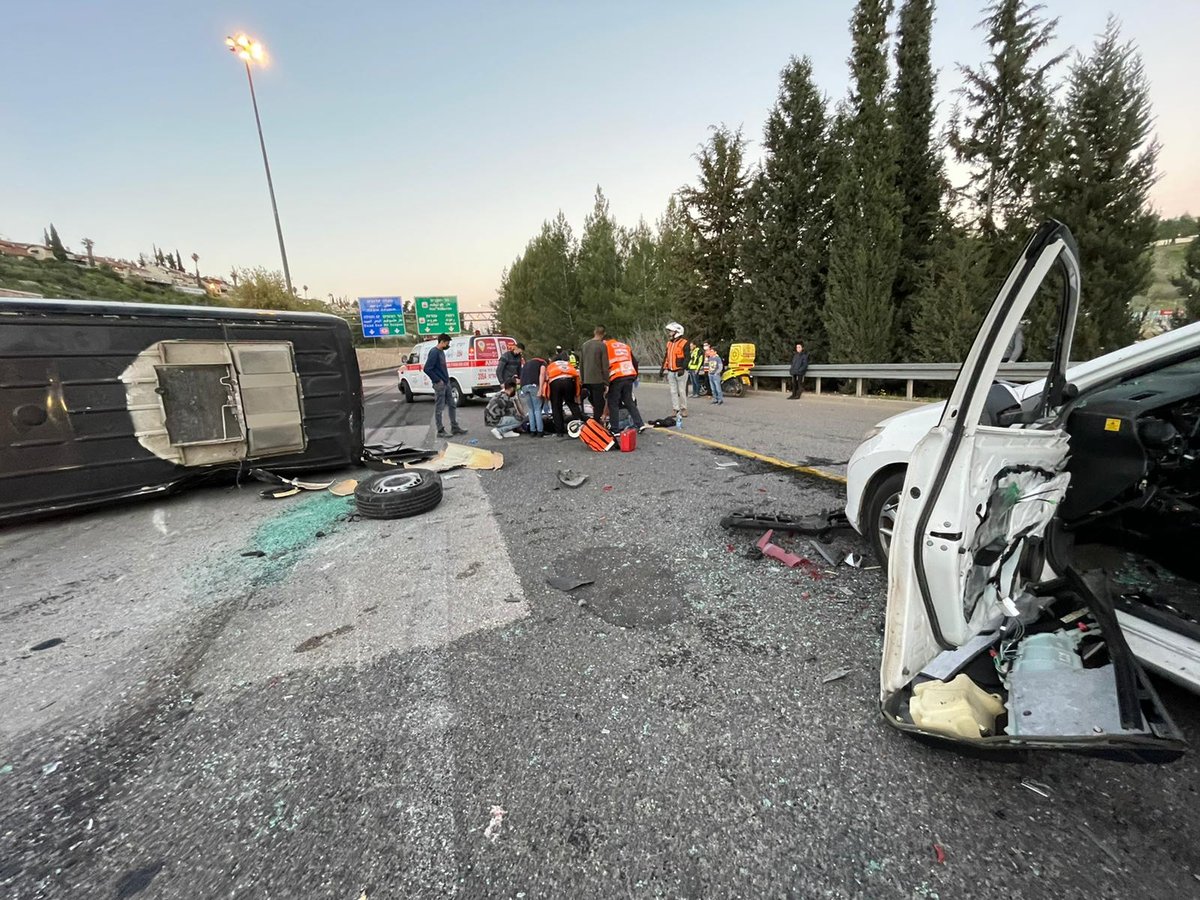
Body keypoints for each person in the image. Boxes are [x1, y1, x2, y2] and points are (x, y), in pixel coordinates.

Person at [424, 333, 467, 436]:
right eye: (447, 343)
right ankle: (440, 430)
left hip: (446, 382)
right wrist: (437, 380)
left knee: (452, 405)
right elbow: (427, 369)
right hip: (440, 384)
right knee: (439, 407)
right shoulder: (434, 352)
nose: (448, 345)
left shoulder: (441, 352)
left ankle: (455, 427)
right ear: (442, 342)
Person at [605, 337, 649, 432]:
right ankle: (640, 424)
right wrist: (635, 375)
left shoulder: (606, 346)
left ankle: (614, 429)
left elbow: (603, 364)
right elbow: (635, 362)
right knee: (629, 401)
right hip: (629, 374)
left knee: (613, 403)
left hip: (616, 376)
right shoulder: (624, 346)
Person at [545, 356, 584, 438]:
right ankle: (581, 425)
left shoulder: (551, 365)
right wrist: (577, 395)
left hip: (555, 382)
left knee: (556, 407)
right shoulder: (568, 364)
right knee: (571, 404)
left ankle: (559, 432)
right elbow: (577, 377)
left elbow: (546, 378)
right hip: (569, 381)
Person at [660, 322, 692, 417]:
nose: (669, 333)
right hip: (671, 371)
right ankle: (675, 408)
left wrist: (683, 368)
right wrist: (662, 369)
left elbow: (687, 357)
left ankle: (684, 409)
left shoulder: (684, 343)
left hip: (680, 371)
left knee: (681, 391)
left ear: (677, 332)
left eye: (671, 331)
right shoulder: (669, 343)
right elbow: (666, 357)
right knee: (673, 391)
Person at [579, 325, 609, 421]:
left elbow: (581, 363)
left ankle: (591, 420)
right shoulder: (602, 346)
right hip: (597, 379)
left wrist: (582, 379)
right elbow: (605, 365)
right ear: (604, 334)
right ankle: (596, 422)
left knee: (591, 399)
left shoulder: (585, 345)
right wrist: (606, 382)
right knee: (599, 402)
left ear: (594, 332)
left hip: (587, 379)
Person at [519, 351, 548, 437]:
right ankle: (540, 431)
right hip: (534, 385)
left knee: (530, 409)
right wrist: (540, 389)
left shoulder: (527, 364)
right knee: (537, 409)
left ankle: (532, 431)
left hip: (524, 386)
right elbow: (542, 374)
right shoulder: (542, 363)